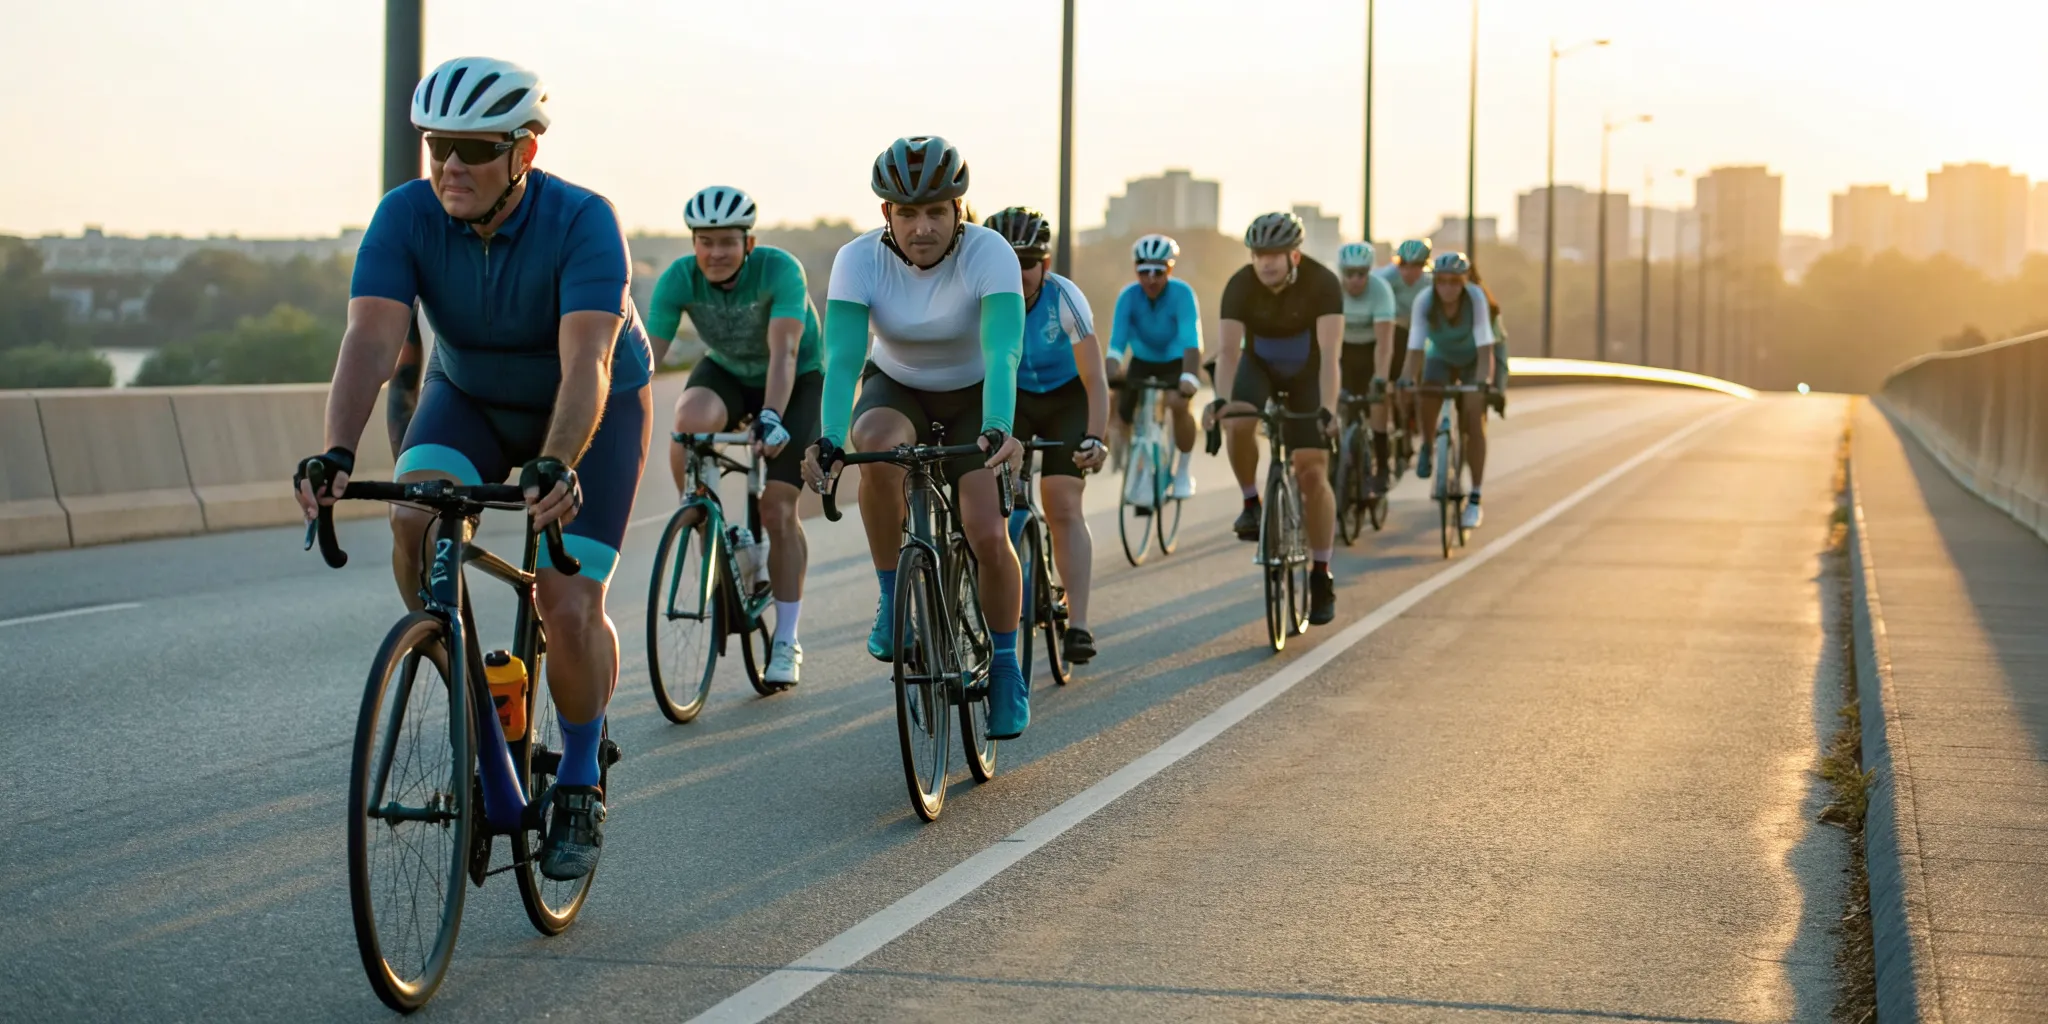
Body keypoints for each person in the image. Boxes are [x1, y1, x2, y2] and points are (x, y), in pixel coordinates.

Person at [293, 57, 650, 881]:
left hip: (588, 408)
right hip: (470, 395)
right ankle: (464, 684)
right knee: (413, 516)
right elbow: (372, 341)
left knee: (566, 600)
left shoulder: (584, 220)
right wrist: (337, 451)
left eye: (474, 148)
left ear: (523, 153)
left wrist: (556, 464)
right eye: (436, 145)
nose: (450, 165)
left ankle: (580, 776)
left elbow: (588, 360)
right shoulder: (405, 216)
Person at [800, 137, 1032, 739]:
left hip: (976, 396)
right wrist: (827, 437)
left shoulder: (991, 253)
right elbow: (844, 358)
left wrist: (999, 426)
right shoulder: (857, 260)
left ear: (960, 209)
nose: (922, 227)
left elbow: (1003, 349)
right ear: (886, 215)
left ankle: (1005, 666)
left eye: (936, 211)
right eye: (907, 213)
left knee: (985, 530)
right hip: (897, 386)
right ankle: (890, 598)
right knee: (874, 444)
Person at [645, 186, 822, 688]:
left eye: (727, 242)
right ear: (693, 244)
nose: (715, 253)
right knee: (689, 418)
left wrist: (771, 415)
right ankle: (709, 522)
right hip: (727, 371)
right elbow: (650, 356)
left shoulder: (780, 269)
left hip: (796, 376)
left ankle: (786, 639)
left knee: (778, 509)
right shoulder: (678, 279)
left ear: (749, 242)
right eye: (705, 242)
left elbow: (786, 352)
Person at [1206, 212, 1345, 626]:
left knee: (1311, 472)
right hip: (1259, 365)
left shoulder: (1323, 283)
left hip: (1309, 370)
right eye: (1259, 254)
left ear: (1294, 256)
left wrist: (1329, 410)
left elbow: (1331, 356)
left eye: (1275, 255)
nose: (1265, 263)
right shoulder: (1240, 285)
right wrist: (1223, 402)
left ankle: (1321, 574)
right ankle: (1251, 500)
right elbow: (1229, 354)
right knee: (1239, 419)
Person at [986, 207, 1110, 664]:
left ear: (1046, 264)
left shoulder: (1065, 298)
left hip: (1065, 400)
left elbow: (1096, 380)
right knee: (995, 500)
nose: (1017, 273)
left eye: (1027, 262)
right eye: (1007, 262)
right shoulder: (983, 298)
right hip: (1013, 400)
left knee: (1061, 501)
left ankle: (1077, 624)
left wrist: (1095, 437)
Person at [1399, 251, 1496, 530]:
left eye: (1455, 282)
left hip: (1472, 360)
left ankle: (1475, 497)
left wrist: (1482, 382)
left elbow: (1485, 346)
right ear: (1435, 282)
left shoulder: (1475, 299)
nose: (1448, 288)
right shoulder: (1425, 302)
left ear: (1464, 281)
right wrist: (1406, 379)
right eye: (1442, 281)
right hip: (1440, 356)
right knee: (1426, 393)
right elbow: (1415, 348)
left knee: (1474, 418)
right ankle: (1429, 446)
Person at [1107, 234, 1204, 507]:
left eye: (1159, 272)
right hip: (1142, 360)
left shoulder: (1182, 294)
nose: (1151, 278)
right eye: (1144, 271)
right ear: (1136, 270)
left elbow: (1191, 341)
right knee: (1122, 408)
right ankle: (1133, 464)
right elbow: (1116, 344)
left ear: (1169, 269)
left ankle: (1183, 470)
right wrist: (1110, 370)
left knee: (1178, 403)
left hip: (1175, 361)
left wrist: (1189, 377)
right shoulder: (1128, 296)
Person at [1335, 241, 1400, 495]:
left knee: (1377, 403)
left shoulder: (1381, 291)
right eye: (1349, 274)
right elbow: (1324, 343)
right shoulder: (1332, 291)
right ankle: (1338, 462)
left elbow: (1385, 345)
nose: (1355, 280)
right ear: (1342, 273)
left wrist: (1381, 379)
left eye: (1362, 274)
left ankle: (1382, 467)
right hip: (1343, 351)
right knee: (1336, 404)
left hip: (1372, 349)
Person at [1371, 239, 1434, 452]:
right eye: (1403, 265)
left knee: (1420, 374)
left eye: (1415, 266)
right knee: (1391, 376)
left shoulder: (1430, 283)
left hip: (1419, 330)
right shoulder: (1386, 277)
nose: (1408, 272)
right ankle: (1394, 409)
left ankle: (1412, 413)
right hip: (1394, 329)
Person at [1468, 263, 1510, 416]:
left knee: (1497, 361)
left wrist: (1489, 382)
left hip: (1489, 341)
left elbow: (1491, 344)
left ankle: (1497, 394)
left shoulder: (1483, 300)